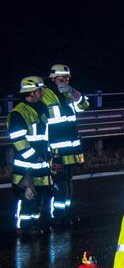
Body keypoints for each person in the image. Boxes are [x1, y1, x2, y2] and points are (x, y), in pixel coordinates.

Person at [42, 63, 90, 223]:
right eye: (63, 78)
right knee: (59, 184)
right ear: (54, 78)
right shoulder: (45, 94)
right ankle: (57, 216)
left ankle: (65, 212)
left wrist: (74, 93)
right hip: (55, 149)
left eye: (68, 78)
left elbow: (85, 106)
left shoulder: (68, 93)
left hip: (70, 149)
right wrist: (50, 153)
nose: (66, 80)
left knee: (68, 182)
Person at [9, 76, 54, 236]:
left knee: (41, 198)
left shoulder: (41, 109)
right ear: (32, 92)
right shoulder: (18, 113)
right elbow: (18, 139)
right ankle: (24, 228)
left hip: (41, 164)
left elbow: (44, 136)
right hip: (26, 167)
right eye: (40, 90)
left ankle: (37, 223)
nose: (43, 93)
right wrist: (33, 156)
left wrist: (48, 155)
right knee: (26, 199)